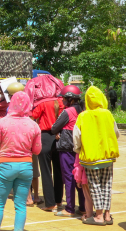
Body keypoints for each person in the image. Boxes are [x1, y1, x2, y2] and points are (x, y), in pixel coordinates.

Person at [0, 91, 42, 231]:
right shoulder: (33, 125)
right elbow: (37, 150)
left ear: (12, 103)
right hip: (26, 166)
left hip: (5, 166)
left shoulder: (3, 122)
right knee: (21, 205)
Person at [73, 86, 120, 226]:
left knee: (95, 186)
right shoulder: (107, 114)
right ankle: (107, 216)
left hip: (91, 158)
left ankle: (98, 216)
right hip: (108, 156)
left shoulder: (83, 116)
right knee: (107, 185)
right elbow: (116, 133)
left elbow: (76, 137)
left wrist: (79, 150)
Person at [51, 85, 86, 217]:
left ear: (70, 99)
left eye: (64, 98)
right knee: (80, 177)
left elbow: (54, 128)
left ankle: (70, 208)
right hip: (80, 149)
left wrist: (59, 132)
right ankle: (83, 207)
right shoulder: (83, 111)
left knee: (69, 177)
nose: (62, 101)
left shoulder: (67, 112)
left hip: (67, 149)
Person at [32, 95, 64, 211]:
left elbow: (33, 115)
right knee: (58, 171)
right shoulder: (61, 102)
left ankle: (50, 203)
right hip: (59, 136)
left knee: (46, 171)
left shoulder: (42, 103)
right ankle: (58, 200)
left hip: (45, 137)